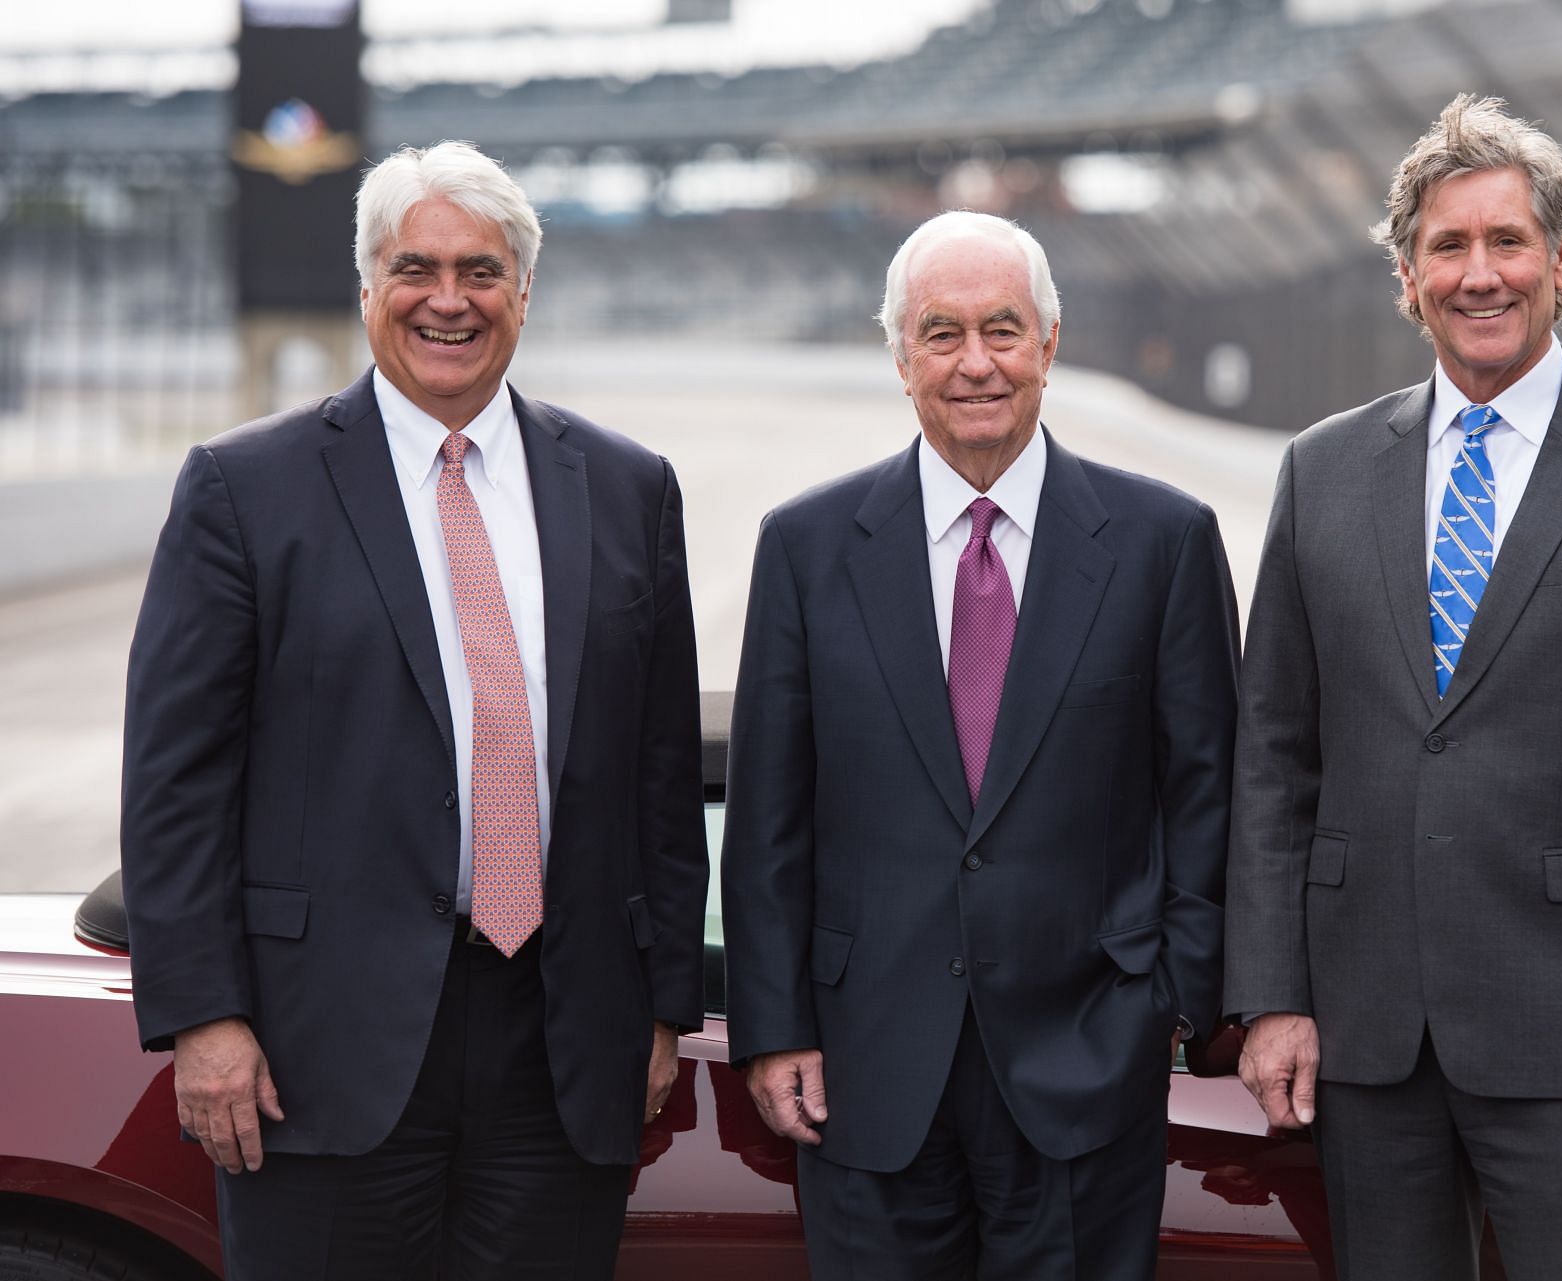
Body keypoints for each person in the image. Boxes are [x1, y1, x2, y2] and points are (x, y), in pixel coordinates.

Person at [119, 140, 708, 1280]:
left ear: (524, 295)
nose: (449, 300)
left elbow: (659, 770)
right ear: (367, 287)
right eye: (416, 269)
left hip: (564, 1050)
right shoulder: (247, 490)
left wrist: (663, 1008)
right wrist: (203, 1019)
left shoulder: (632, 490)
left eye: (481, 271)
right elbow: (175, 781)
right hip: (314, 1052)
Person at [1224, 94, 1562, 1279]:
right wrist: (1270, 996)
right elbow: (1273, 754)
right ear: (1408, 273)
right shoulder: (1321, 473)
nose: (1481, 274)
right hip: (1368, 1047)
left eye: (1507, 240)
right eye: (1448, 247)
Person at [720, 210, 1239, 1281]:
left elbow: (1210, 797)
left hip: (1090, 1066)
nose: (975, 364)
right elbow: (770, 819)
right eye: (942, 334)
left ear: (1050, 344)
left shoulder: (1165, 543)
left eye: (1002, 330)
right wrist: (772, 1029)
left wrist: (1170, 1005)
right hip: (863, 1078)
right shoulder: (807, 550)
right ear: (900, 358)